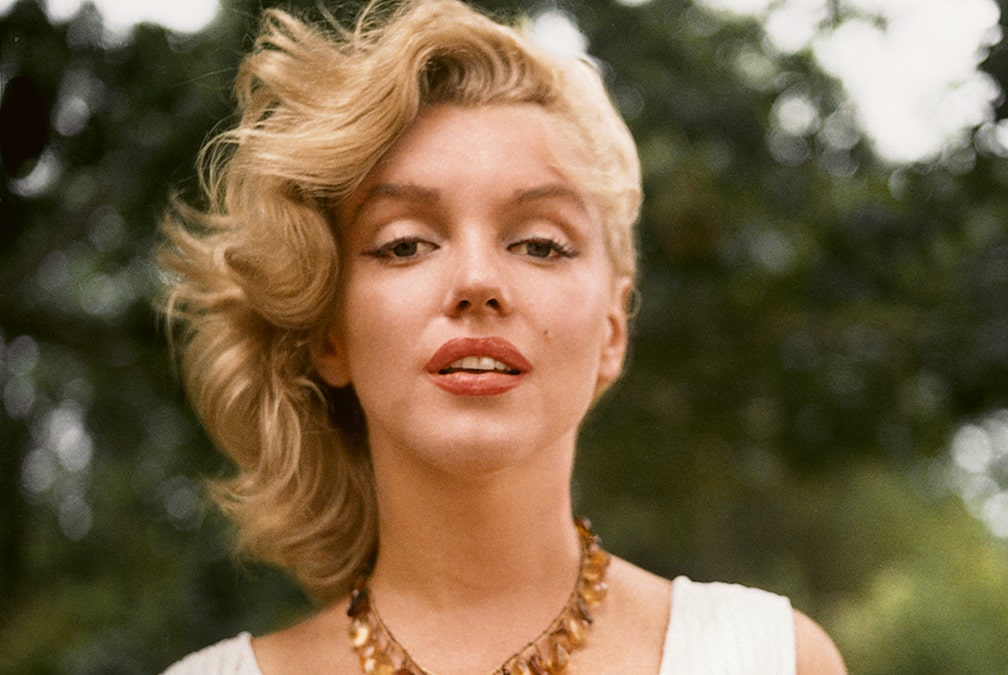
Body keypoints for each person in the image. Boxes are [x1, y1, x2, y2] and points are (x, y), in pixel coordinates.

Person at [158, 0, 846, 673]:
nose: (477, 280)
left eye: (541, 244)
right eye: (404, 245)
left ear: (612, 328)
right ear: (328, 335)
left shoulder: (772, 658)